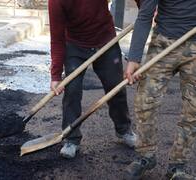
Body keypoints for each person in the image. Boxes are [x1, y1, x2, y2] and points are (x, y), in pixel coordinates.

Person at [48, 0, 137, 159]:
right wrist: (55, 76)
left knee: (115, 87)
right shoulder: (56, 1)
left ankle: (123, 130)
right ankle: (71, 138)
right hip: (75, 45)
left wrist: (146, 8)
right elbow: (57, 38)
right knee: (72, 90)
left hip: (105, 41)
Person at [124, 0, 196, 179]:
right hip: (163, 42)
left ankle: (177, 167)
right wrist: (134, 58)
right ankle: (146, 155)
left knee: (193, 109)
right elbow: (145, 15)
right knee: (144, 101)